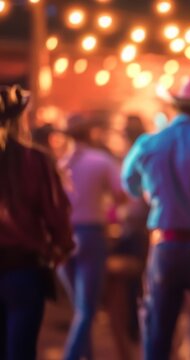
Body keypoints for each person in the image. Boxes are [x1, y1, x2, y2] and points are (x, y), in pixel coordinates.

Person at [121, 77, 190, 360]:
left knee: (158, 332)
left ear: (175, 107)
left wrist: (150, 192)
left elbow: (129, 182)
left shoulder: (149, 142)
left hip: (165, 246)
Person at [0, 85, 75, 359]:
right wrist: (60, 249)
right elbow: (56, 214)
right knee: (20, 352)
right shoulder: (35, 160)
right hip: (23, 270)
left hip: (24, 268)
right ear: (17, 119)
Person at [58, 113, 126, 360]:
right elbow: (121, 196)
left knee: (79, 308)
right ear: (91, 133)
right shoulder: (100, 161)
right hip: (91, 235)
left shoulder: (60, 163)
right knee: (86, 310)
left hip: (62, 237)